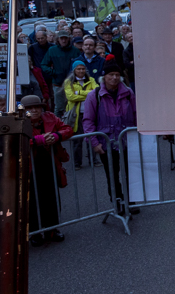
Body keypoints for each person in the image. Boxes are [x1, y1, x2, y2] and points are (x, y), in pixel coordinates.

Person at [82, 61, 140, 216]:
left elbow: (136, 115)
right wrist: (94, 143)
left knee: (130, 173)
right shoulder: (94, 96)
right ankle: (117, 202)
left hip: (127, 141)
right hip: (106, 142)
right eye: (111, 75)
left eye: (117, 75)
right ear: (104, 77)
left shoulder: (128, 93)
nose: (114, 78)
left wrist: (138, 136)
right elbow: (88, 121)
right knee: (112, 175)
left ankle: (131, 201)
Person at [22, 94, 73, 246]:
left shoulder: (50, 117)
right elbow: (15, 141)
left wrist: (56, 136)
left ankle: (52, 229)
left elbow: (67, 129)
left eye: (37, 107)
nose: (34, 110)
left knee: (52, 198)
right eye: (30, 108)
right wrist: (39, 140)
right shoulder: (18, 121)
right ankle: (35, 233)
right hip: (29, 167)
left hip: (50, 164)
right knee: (31, 201)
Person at [63, 60, 100, 170]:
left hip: (90, 113)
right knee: (77, 139)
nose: (81, 71)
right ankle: (77, 163)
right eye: (78, 69)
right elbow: (70, 97)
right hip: (76, 114)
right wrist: (88, 93)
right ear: (74, 70)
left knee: (91, 137)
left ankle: (93, 160)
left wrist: (78, 92)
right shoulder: (68, 82)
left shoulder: (91, 79)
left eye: (83, 68)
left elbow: (97, 91)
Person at [41, 29, 80, 116]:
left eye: (65, 38)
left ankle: (71, 123)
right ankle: (57, 123)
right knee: (59, 107)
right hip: (58, 83)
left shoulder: (75, 51)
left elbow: (81, 64)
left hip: (73, 83)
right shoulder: (52, 50)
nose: (64, 40)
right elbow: (44, 64)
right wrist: (53, 72)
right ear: (58, 39)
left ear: (69, 39)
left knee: (73, 107)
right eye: (61, 38)